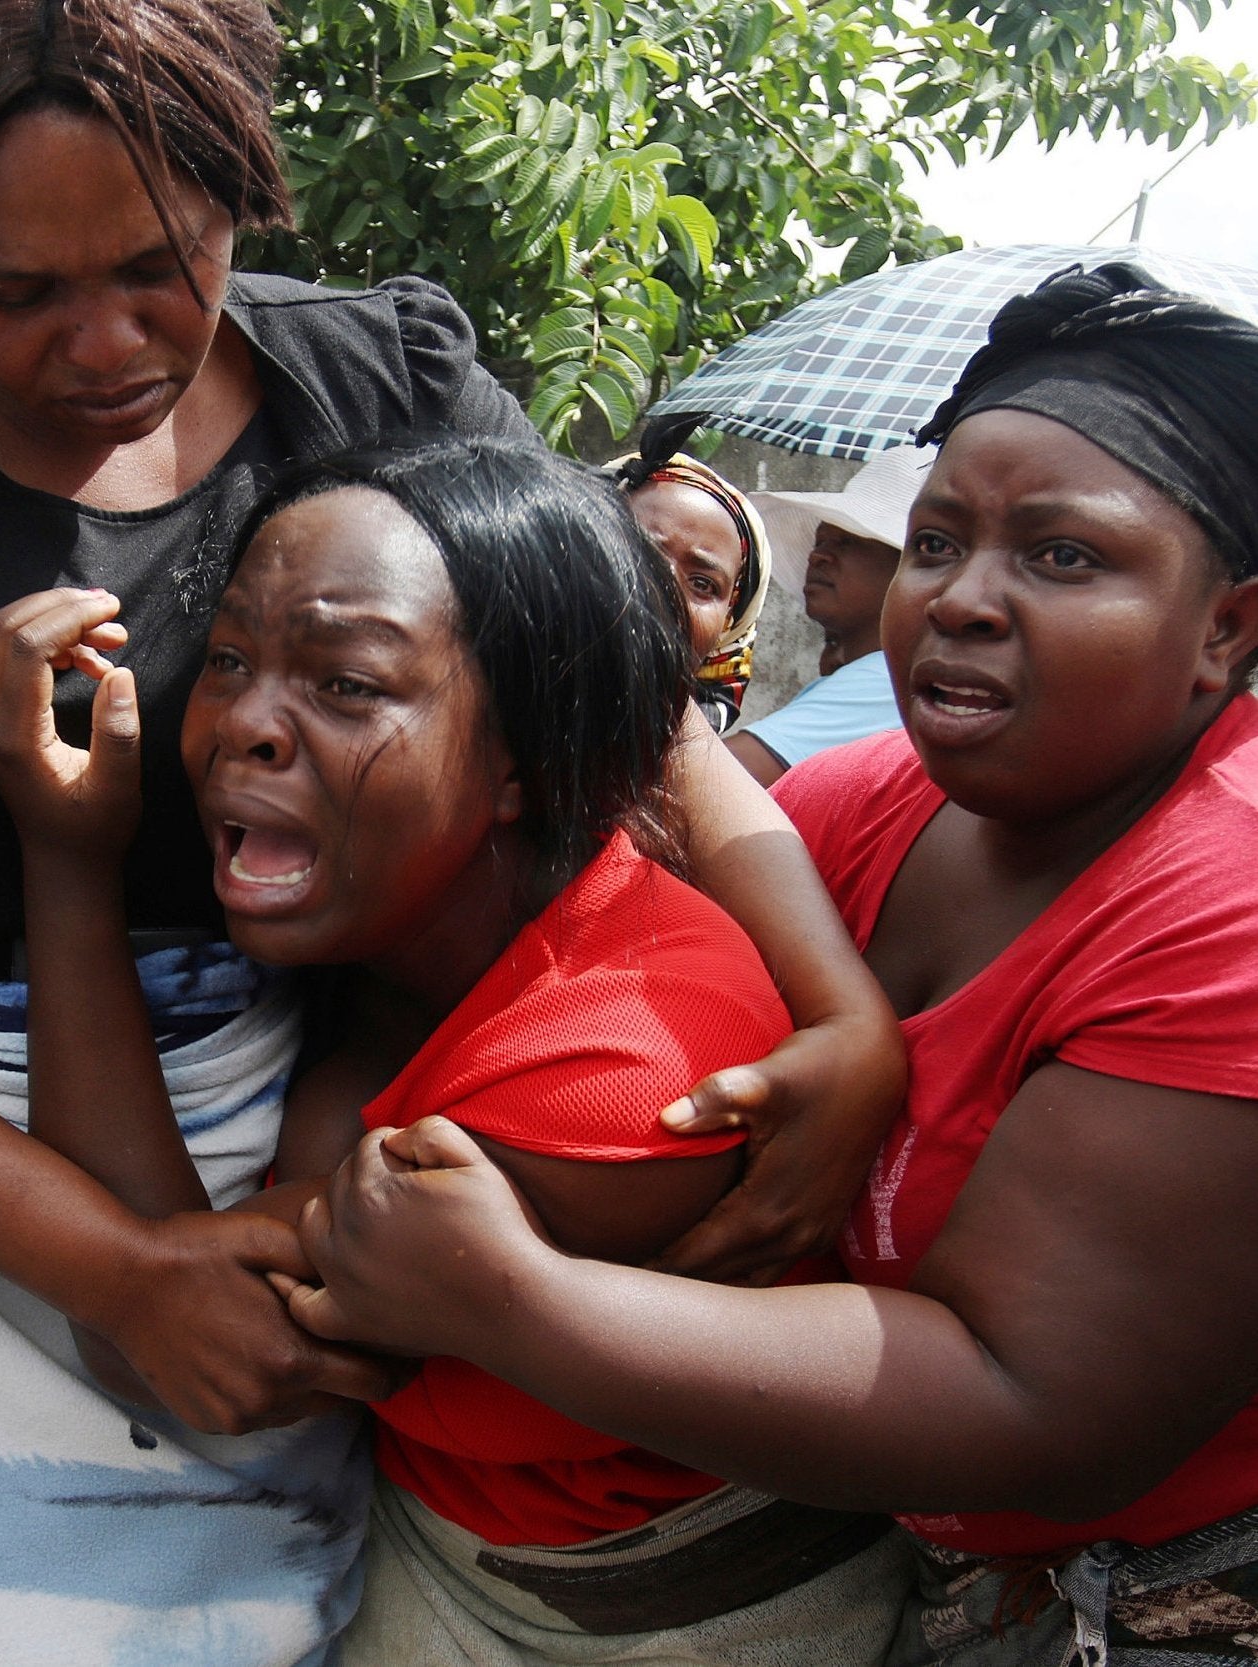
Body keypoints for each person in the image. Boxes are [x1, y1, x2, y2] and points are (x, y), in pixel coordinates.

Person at [0, 0, 903, 1659]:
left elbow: (627, 712)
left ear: (240, 184)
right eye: (19, 292)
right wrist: (118, 1266)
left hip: (318, 1197)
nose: (107, 344)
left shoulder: (381, 375)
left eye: (166, 260)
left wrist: (843, 1012)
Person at [275, 265, 1258, 1665]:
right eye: (935, 542)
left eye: (1059, 556)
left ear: (1225, 625)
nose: (963, 598)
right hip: (879, 1550)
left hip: (1158, 1592)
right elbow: (616, 792)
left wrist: (520, 1302)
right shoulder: (863, 802)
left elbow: (1031, 1404)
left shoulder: (1226, 901)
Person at [0, 438, 911, 1666]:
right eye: (229, 658)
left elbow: (162, 1323)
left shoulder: (625, 1074)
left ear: (523, 758)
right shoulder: (409, 940)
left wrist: (66, 862)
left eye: (347, 684)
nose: (246, 722)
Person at [727, 445, 927, 785]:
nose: (817, 557)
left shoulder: (883, 679)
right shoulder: (881, 675)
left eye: (847, 542)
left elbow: (712, 782)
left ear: (906, 568)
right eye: (820, 541)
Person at [612, 414, 775, 735]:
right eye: (640, 552)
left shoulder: (706, 780)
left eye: (702, 584)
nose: (663, 587)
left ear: (729, 626)